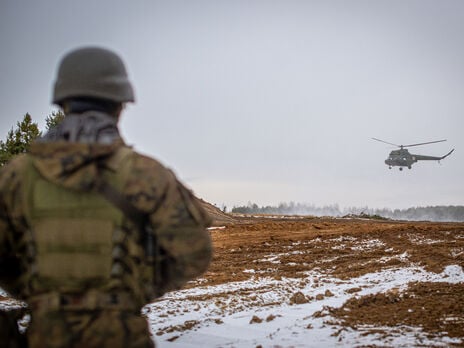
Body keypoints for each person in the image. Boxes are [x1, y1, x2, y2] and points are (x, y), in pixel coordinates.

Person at [0, 47, 212, 347]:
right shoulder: (147, 175)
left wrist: (44, 296)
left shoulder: (16, 177)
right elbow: (194, 254)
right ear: (120, 105)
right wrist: (131, 294)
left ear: (63, 103)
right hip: (123, 336)